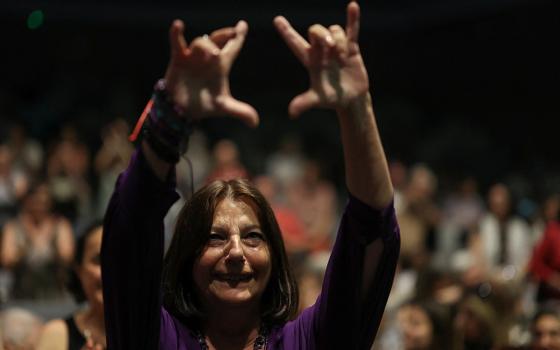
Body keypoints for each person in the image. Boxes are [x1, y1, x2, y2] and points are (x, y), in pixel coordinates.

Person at [101, 2, 400, 349]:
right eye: (214, 237)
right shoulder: (155, 338)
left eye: (254, 236)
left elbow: (372, 230)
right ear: (187, 257)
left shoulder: (305, 342)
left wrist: (356, 107)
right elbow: (131, 230)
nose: (236, 252)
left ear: (275, 256)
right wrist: (170, 118)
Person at [36, 222, 105, 350]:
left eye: (122, 259)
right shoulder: (57, 334)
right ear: (79, 270)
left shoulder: (152, 332)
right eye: (99, 260)